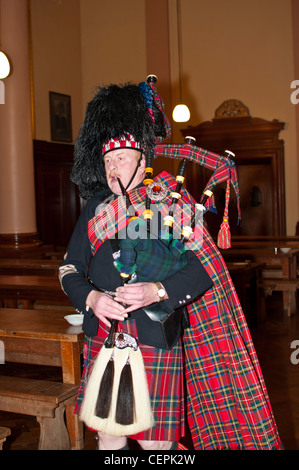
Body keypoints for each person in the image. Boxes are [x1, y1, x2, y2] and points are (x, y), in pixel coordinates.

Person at [59, 77, 283, 450]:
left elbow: (203, 269)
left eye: (122, 158)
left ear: (142, 160)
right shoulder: (94, 209)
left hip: (155, 338)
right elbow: (69, 269)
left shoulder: (172, 202)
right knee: (108, 438)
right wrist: (92, 300)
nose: (113, 167)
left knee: (156, 445)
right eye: (108, 159)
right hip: (105, 336)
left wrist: (157, 290)